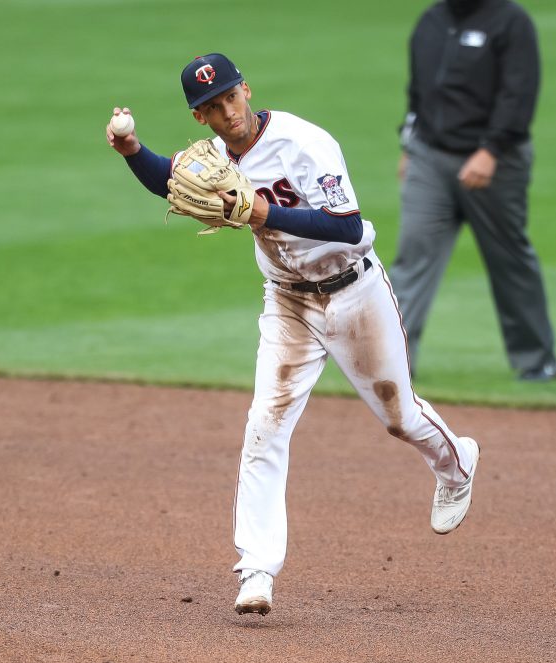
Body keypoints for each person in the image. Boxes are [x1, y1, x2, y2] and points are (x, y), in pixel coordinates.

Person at [106, 53, 482, 616]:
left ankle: (456, 464)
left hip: (355, 292)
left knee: (399, 418)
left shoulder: (307, 143)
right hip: (287, 301)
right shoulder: (213, 155)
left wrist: (263, 214)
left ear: (247, 91)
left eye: (231, 97)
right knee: (265, 424)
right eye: (212, 107)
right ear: (199, 117)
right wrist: (133, 149)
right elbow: (172, 179)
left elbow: (347, 225)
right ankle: (256, 569)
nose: (227, 112)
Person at [390, 0, 556, 382]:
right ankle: (393, 363)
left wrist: (491, 150)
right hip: (430, 158)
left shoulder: (511, 22)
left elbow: (519, 92)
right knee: (412, 256)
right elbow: (419, 90)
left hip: (494, 164)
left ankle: (537, 361)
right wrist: (409, 144)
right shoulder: (431, 20)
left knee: (508, 259)